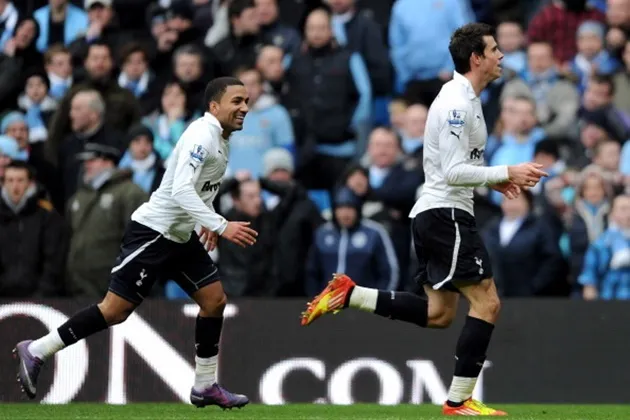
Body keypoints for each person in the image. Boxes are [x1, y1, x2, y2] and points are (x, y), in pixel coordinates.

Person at [300, 23, 548, 417]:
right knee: (488, 302)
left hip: (440, 212)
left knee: (438, 314)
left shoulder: (469, 99)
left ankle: (350, 294)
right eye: (495, 49)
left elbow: (457, 167)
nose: (502, 55)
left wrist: (491, 183)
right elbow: (450, 172)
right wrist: (505, 172)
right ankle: (459, 400)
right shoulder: (455, 103)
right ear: (476, 58)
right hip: (445, 214)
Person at [13, 77, 258, 410]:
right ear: (214, 106)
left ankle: (205, 386)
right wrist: (220, 223)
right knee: (115, 311)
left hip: (181, 234)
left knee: (214, 301)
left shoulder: (221, 138)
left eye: (246, 100)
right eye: (237, 101)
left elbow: (199, 189)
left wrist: (209, 219)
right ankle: (38, 349)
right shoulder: (202, 135)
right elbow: (181, 190)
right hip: (155, 232)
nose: (245, 107)